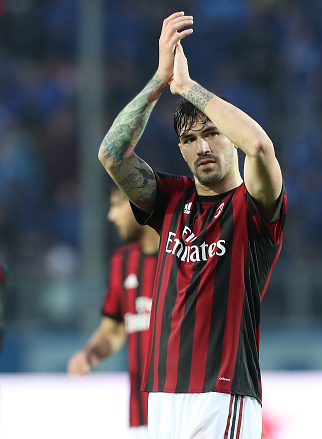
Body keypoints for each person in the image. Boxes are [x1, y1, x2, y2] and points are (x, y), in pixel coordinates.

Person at [97, 11, 285, 439]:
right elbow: (111, 154)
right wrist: (160, 80)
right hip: (163, 395)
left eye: (212, 133)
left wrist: (186, 88)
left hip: (223, 393)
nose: (202, 147)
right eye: (189, 139)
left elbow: (259, 146)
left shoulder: (253, 206)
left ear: (230, 137)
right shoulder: (171, 199)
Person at [68, 187, 160, 437]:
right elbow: (114, 329)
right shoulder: (122, 262)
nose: (112, 215)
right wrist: (90, 351)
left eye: (118, 205)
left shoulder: (189, 257)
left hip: (191, 410)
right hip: (143, 416)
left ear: (141, 204)